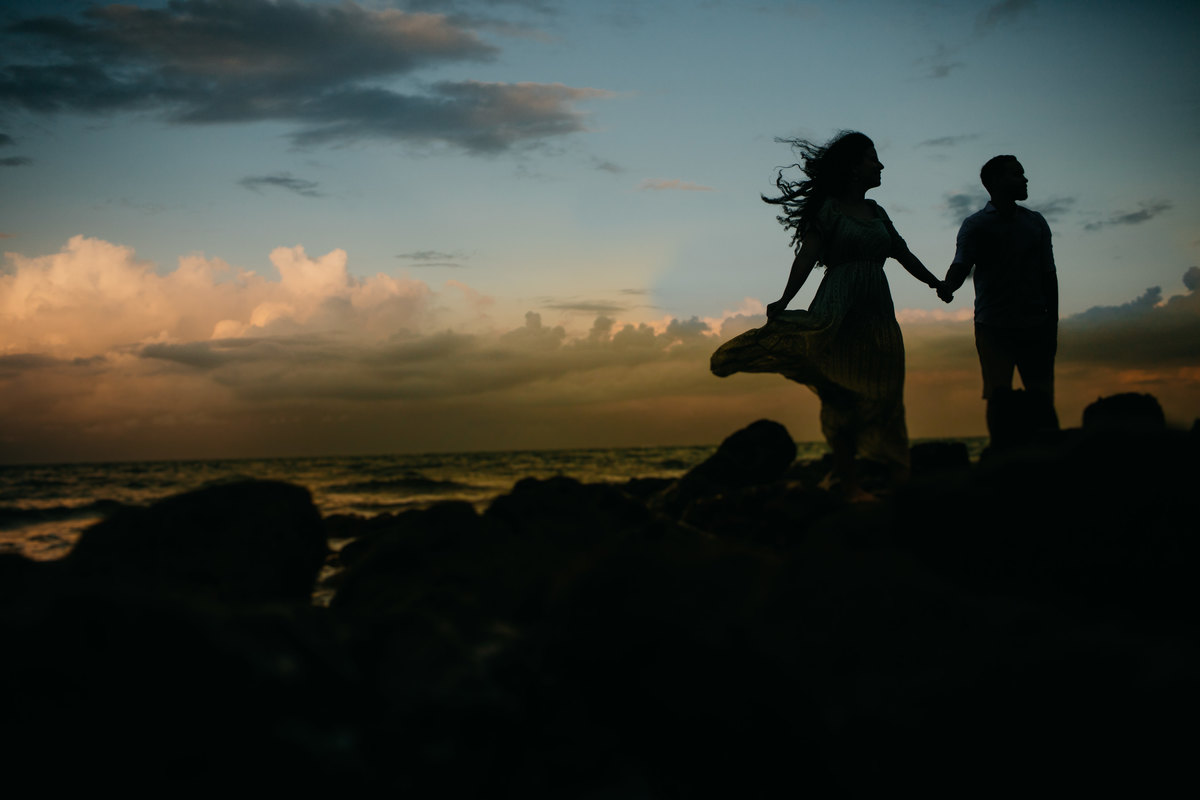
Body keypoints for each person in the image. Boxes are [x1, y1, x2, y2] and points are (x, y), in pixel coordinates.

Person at [711, 131, 948, 500]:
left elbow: (902, 253)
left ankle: (896, 475)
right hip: (837, 309)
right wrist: (785, 298)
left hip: (878, 315)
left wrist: (936, 283)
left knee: (887, 392)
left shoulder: (877, 212)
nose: (880, 165)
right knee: (840, 395)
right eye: (872, 158)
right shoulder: (831, 210)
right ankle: (849, 482)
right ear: (853, 167)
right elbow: (807, 256)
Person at [939, 155, 1059, 438]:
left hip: (1035, 325)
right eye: (1017, 174)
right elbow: (961, 264)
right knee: (998, 395)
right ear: (995, 182)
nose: (1025, 179)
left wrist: (1051, 323)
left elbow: (1049, 275)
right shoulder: (976, 225)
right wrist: (948, 286)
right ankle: (1001, 451)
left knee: (1041, 397)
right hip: (993, 326)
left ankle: (1049, 452)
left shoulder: (1036, 223)